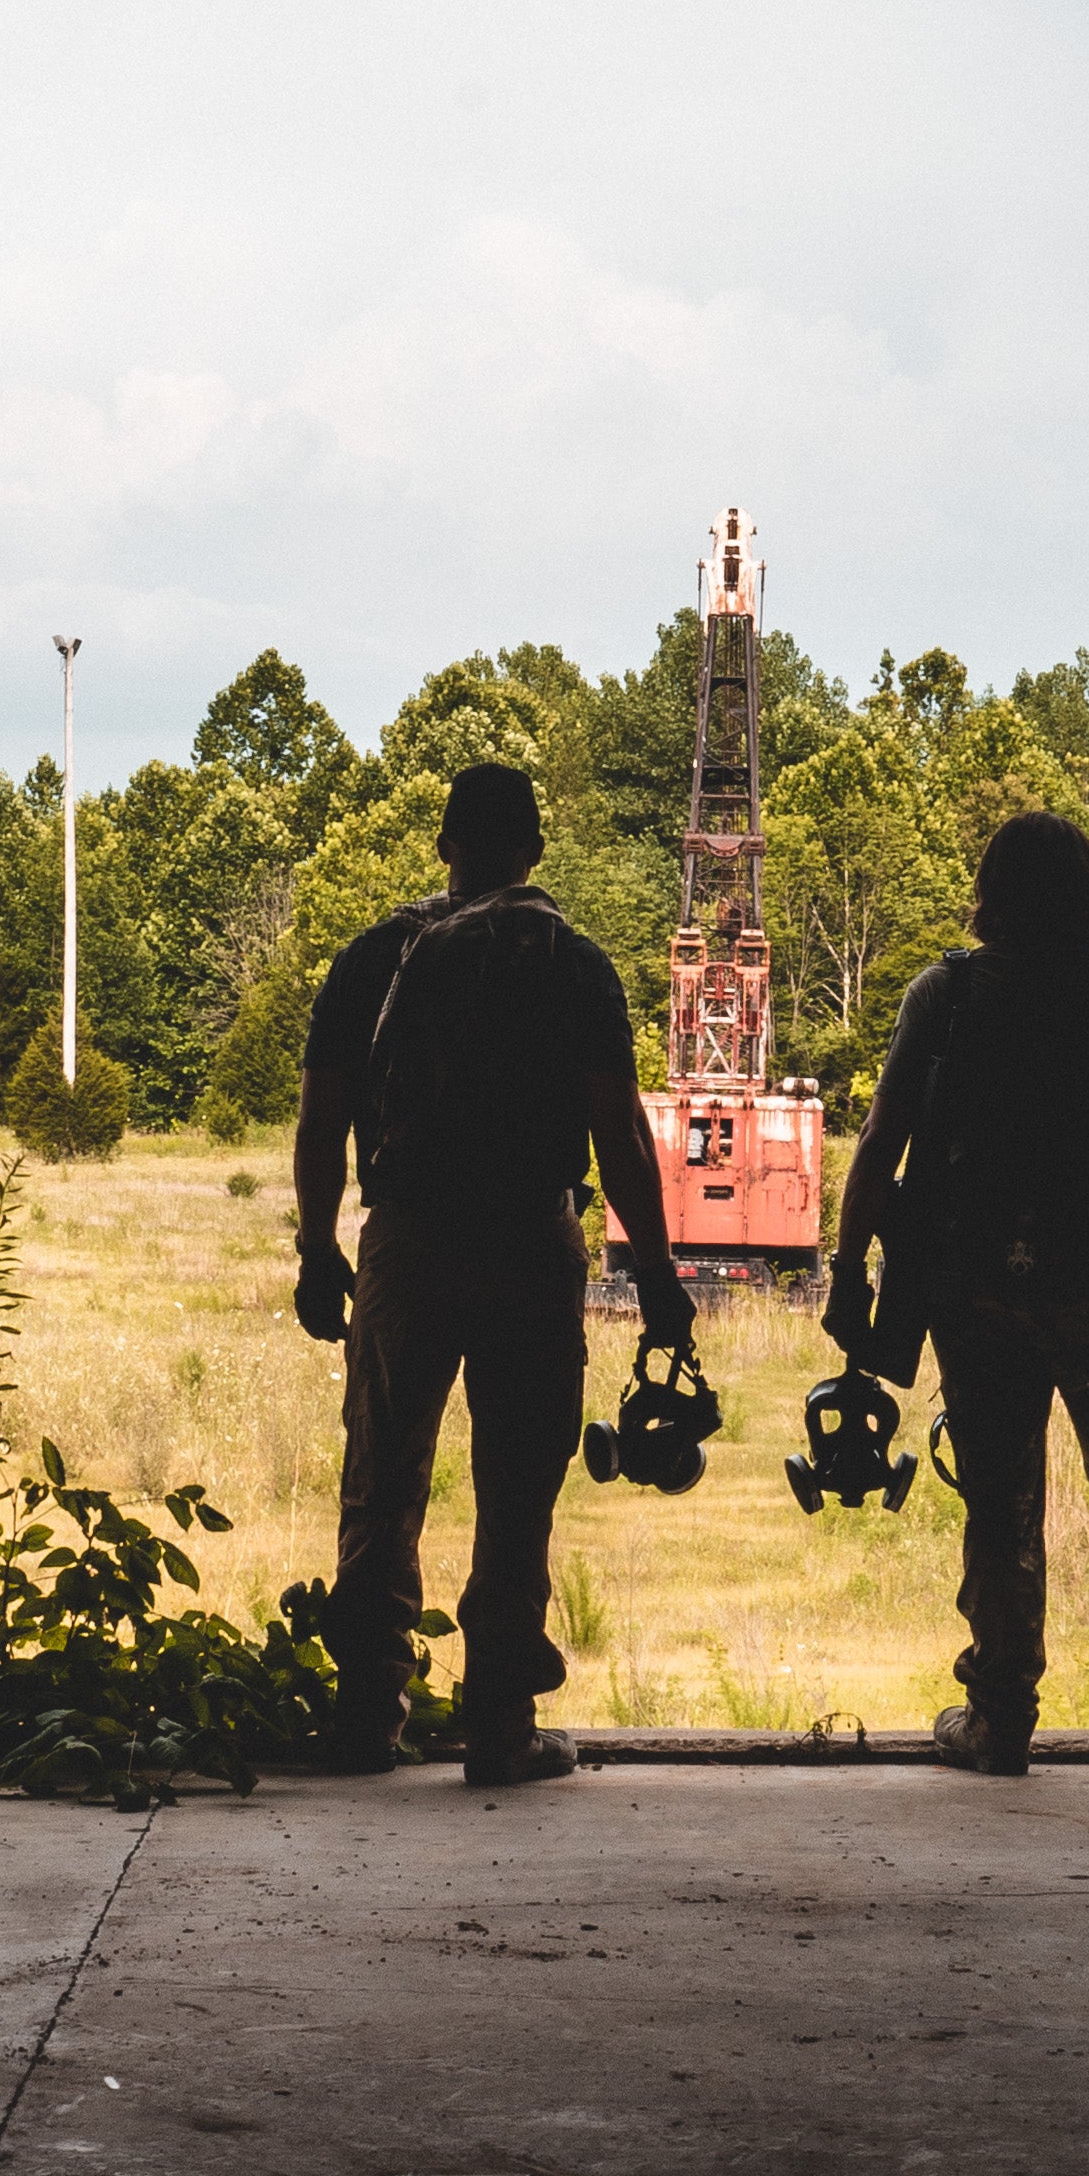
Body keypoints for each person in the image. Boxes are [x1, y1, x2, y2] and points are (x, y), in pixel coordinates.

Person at [294, 761, 696, 1785]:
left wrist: (318, 1246)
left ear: (444, 843)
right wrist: (653, 1271)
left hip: (407, 1238)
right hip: (528, 1240)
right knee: (518, 1485)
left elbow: (323, 1115)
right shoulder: (571, 961)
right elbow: (617, 1125)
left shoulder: (376, 956)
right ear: (536, 847)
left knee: (383, 1479)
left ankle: (367, 1713)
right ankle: (502, 1724)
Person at [827, 810, 1089, 1775]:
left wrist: (849, 1273)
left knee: (1002, 1503)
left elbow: (881, 1146)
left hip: (975, 1295)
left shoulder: (946, 994)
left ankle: (1001, 1710)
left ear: (991, 892)